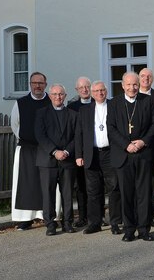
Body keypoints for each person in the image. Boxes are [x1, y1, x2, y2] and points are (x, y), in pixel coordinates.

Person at [107, 72, 154, 242]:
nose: (132, 88)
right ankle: (129, 229)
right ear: (122, 86)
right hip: (123, 155)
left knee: (144, 194)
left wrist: (142, 142)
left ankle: (144, 229)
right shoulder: (114, 103)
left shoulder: (147, 101)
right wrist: (126, 145)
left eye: (135, 84)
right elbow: (111, 128)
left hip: (143, 154)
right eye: (128, 85)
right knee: (126, 194)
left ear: (139, 85)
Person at [75, 81, 122, 235]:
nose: (99, 93)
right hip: (92, 154)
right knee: (93, 190)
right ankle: (94, 223)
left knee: (114, 188)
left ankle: (115, 222)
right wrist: (79, 155)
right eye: (96, 91)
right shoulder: (84, 110)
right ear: (92, 93)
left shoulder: (114, 106)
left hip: (111, 153)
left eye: (102, 90)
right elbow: (79, 134)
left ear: (106, 91)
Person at [10, 72, 52, 230]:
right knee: (26, 184)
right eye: (34, 83)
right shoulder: (20, 103)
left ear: (45, 84)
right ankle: (25, 219)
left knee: (48, 184)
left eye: (40, 83)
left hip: (47, 149)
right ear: (30, 84)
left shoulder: (52, 100)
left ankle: (48, 216)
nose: (37, 86)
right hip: (26, 149)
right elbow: (15, 126)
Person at [35, 84, 78, 236]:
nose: (58, 97)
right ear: (50, 95)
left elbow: (76, 137)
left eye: (60, 94)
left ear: (65, 96)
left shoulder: (73, 114)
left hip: (67, 159)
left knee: (67, 193)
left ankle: (67, 222)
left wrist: (66, 151)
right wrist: (54, 151)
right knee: (48, 193)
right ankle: (50, 224)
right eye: (54, 94)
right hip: (47, 160)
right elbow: (40, 135)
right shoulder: (41, 113)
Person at [138, 68, 154, 228]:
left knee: (150, 185)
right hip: (134, 148)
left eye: (149, 76)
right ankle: (136, 216)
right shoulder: (133, 96)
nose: (146, 79)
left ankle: (150, 215)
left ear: (152, 79)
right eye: (143, 76)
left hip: (153, 147)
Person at [67, 76, 93, 228]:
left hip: (96, 151)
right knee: (82, 187)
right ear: (77, 90)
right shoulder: (72, 107)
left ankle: (98, 215)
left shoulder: (98, 103)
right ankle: (82, 216)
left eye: (87, 86)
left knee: (97, 186)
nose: (84, 89)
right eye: (81, 87)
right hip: (79, 153)